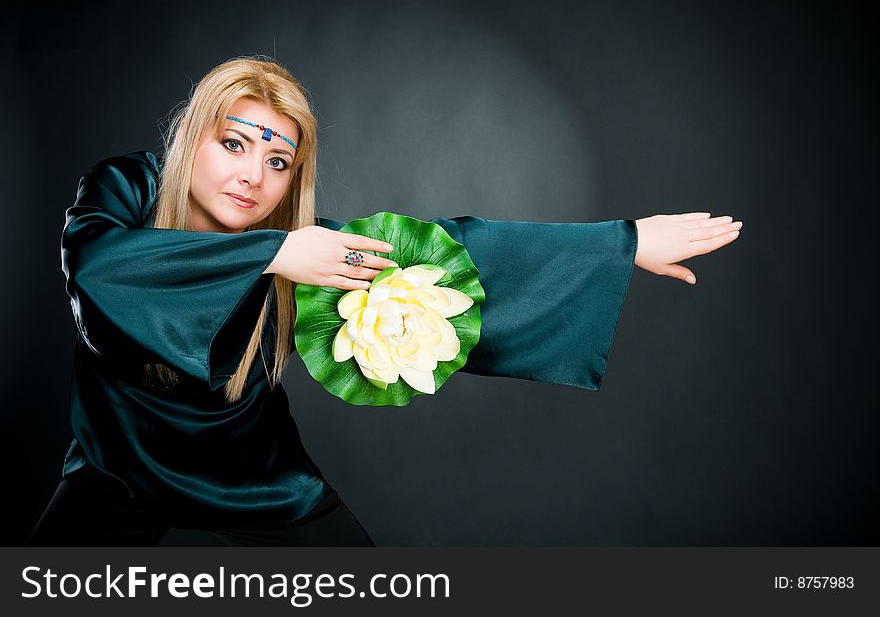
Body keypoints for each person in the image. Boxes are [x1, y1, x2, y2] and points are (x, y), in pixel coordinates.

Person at [28, 56, 743, 546]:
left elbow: (458, 253)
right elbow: (97, 268)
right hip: (113, 463)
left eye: (277, 161)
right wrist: (274, 253)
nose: (252, 176)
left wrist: (617, 246)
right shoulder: (125, 187)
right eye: (234, 144)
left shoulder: (305, 242)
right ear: (193, 136)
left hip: (251, 473)